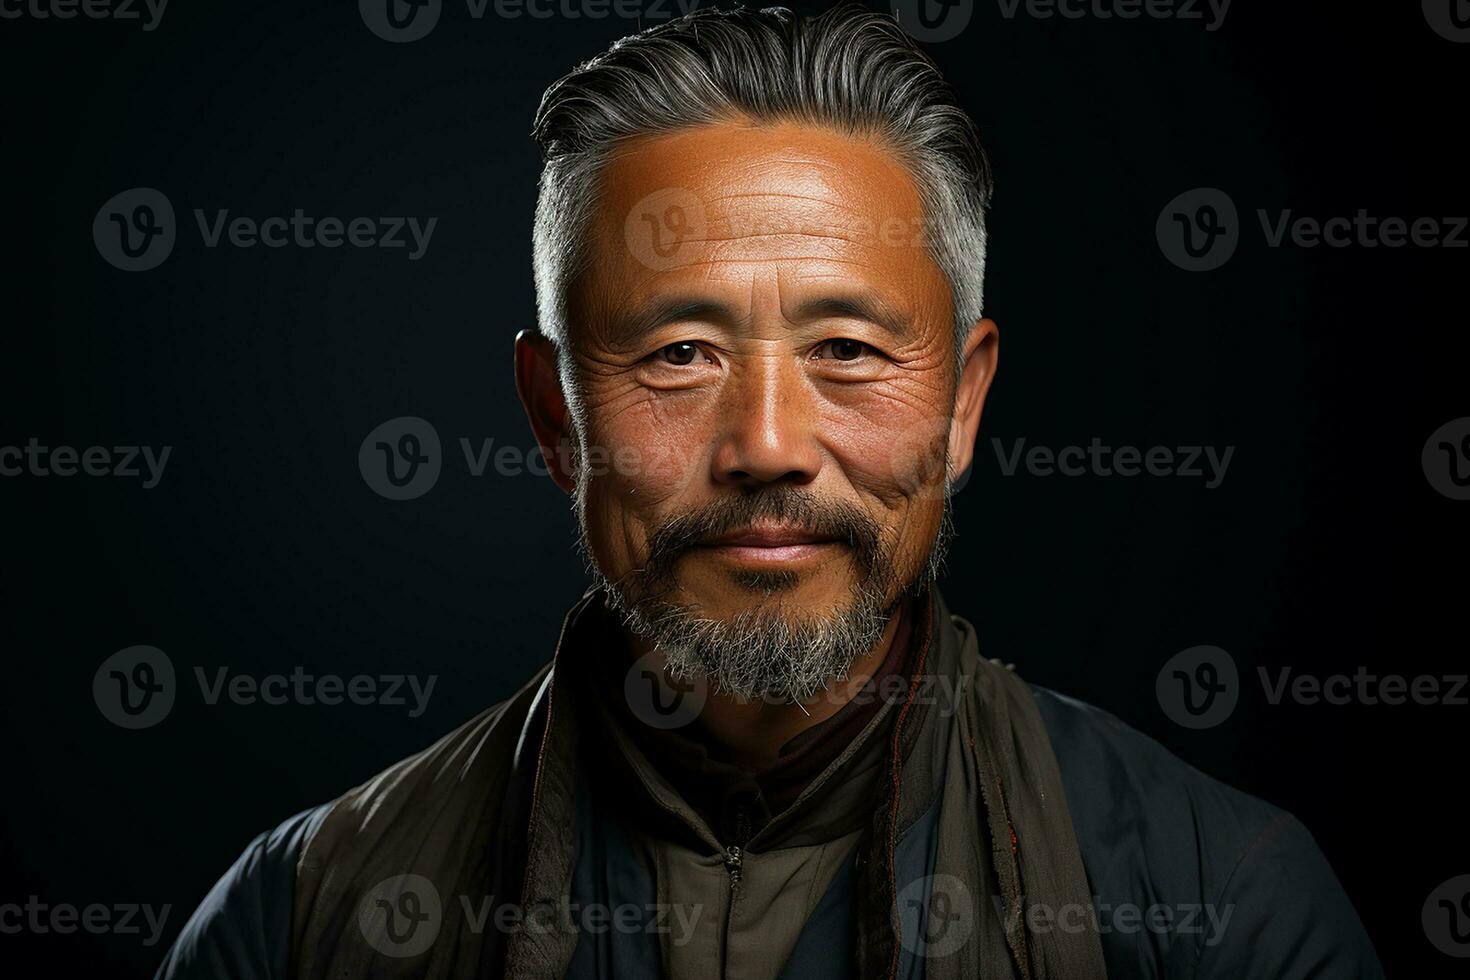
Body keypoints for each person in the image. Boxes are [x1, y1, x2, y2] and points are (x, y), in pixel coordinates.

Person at [156, 6, 1383, 978]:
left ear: (962, 403)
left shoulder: (1219, 904)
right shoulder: (306, 916)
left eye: (847, 348)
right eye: (679, 353)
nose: (767, 443)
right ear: (552, 417)